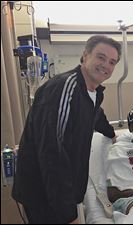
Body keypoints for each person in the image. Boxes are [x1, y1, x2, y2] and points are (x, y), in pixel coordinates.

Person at [12, 35, 121, 224]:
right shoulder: (64, 87)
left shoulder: (93, 92)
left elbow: (95, 115)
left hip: (58, 193)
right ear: (85, 56)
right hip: (43, 193)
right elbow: (52, 151)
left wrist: (111, 134)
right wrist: (68, 214)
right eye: (101, 57)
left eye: (112, 62)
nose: (106, 65)